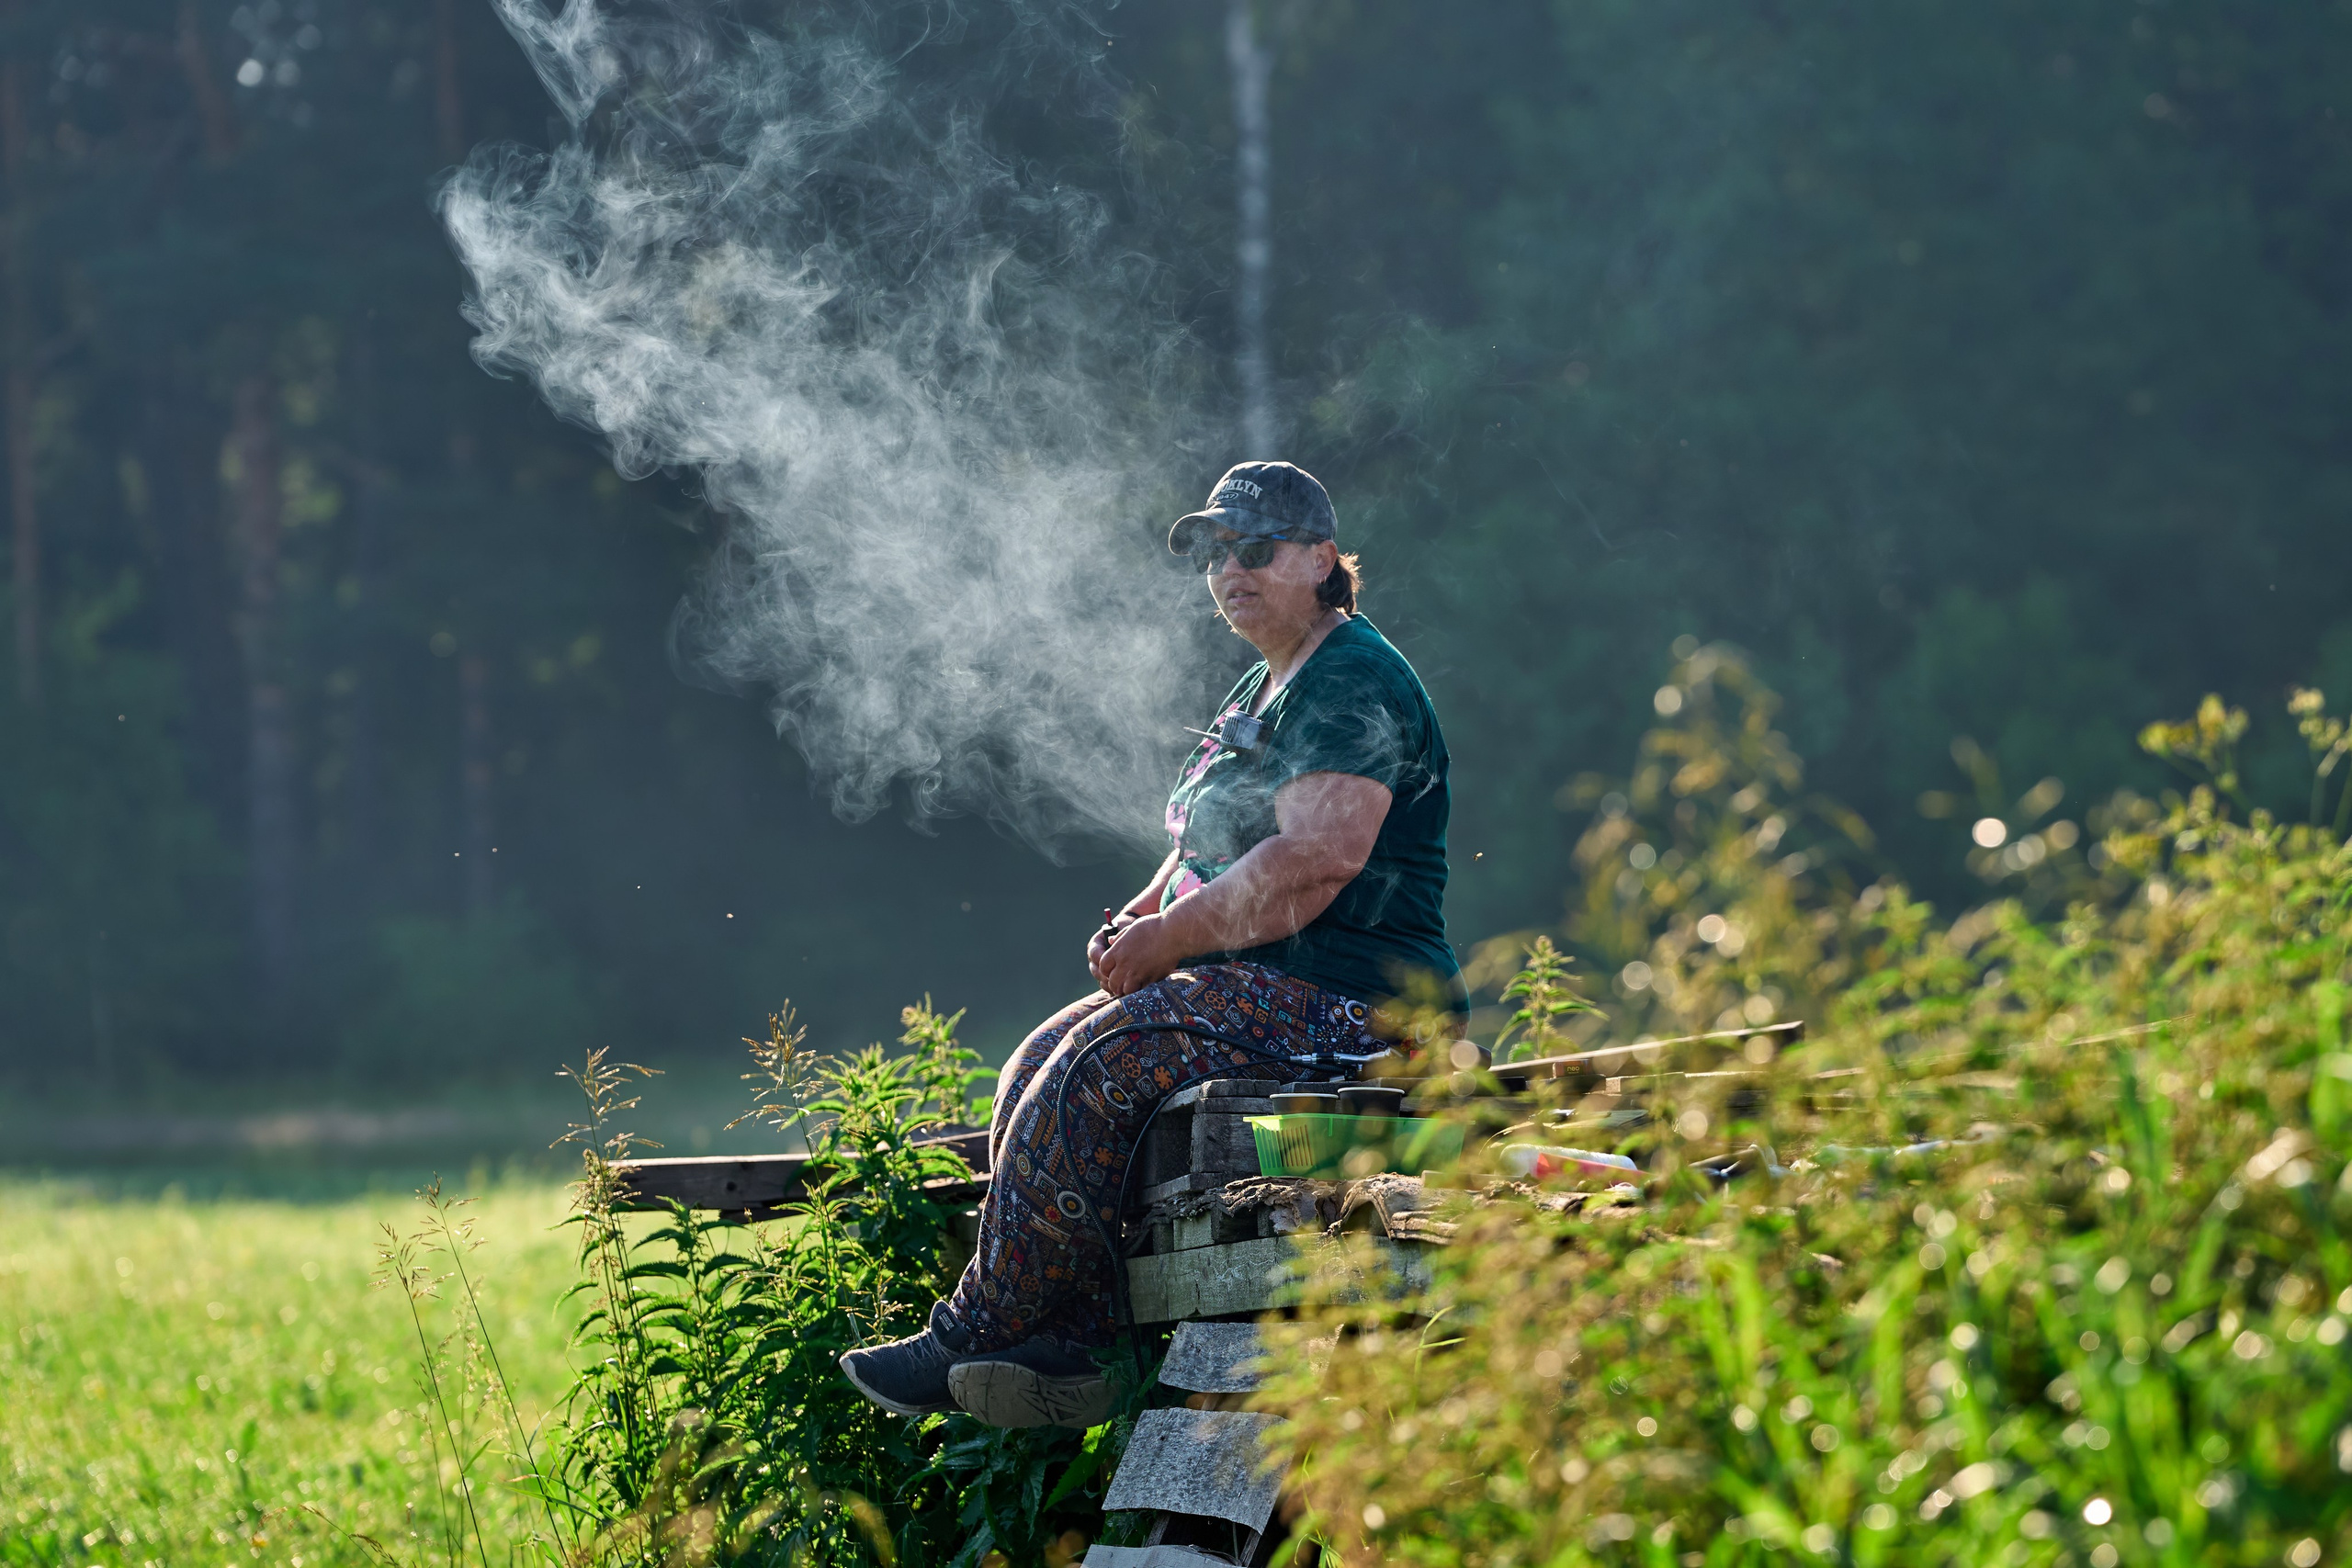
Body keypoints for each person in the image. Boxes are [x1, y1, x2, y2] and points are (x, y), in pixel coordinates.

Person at [840, 460, 1461, 1427]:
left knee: (1104, 1054)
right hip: (1267, 995)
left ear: (1324, 560)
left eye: (1254, 549)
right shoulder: (1265, 682)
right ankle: (1077, 1342)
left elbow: (1315, 860)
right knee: (1038, 1057)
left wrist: (1170, 939)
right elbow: (1202, 850)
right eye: (1216, 553)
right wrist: (1144, 917)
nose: (1230, 571)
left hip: (1362, 1007)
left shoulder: (1352, 679)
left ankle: (973, 1332)